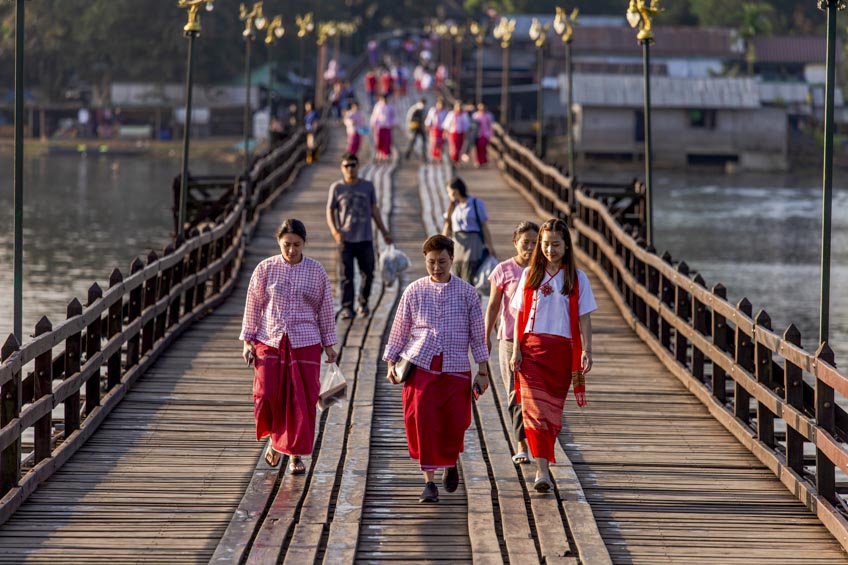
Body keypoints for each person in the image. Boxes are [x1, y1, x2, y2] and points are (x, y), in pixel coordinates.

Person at [383, 234, 490, 503]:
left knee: (455, 423)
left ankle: (450, 461)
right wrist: (391, 362)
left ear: (452, 259)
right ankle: (429, 482)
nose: (437, 267)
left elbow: (478, 335)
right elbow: (399, 330)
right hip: (420, 365)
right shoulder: (414, 290)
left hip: (455, 367)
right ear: (425, 261)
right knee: (423, 422)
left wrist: (483, 370)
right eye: (431, 262)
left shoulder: (467, 292)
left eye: (442, 261)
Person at [240, 219, 338, 476]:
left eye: (296, 245)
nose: (292, 250)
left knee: (301, 400)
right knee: (266, 393)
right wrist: (247, 341)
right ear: (278, 243)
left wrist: (329, 344)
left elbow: (325, 309)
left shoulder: (316, 272)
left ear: (304, 243)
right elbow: (253, 305)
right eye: (287, 245)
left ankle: (295, 456)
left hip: (305, 341)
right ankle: (275, 438)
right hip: (269, 339)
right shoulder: (265, 269)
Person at [509, 218, 597, 493]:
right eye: (545, 244)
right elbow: (519, 317)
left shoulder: (576, 278)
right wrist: (515, 351)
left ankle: (543, 459)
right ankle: (541, 471)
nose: (549, 249)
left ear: (566, 246)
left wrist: (587, 350)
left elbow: (584, 319)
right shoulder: (529, 275)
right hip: (531, 351)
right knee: (533, 413)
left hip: (560, 352)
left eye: (555, 244)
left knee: (551, 414)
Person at [484, 222, 539, 465]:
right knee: (515, 393)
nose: (529, 247)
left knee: (536, 395)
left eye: (535, 242)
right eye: (525, 242)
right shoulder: (503, 270)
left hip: (538, 340)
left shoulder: (544, 269)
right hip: (508, 338)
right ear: (515, 242)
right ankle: (521, 444)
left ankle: (539, 443)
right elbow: (494, 306)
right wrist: (484, 336)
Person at [326, 152, 393, 319]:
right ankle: (347, 307)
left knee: (368, 273)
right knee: (346, 276)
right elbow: (330, 211)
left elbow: (374, 210)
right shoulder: (337, 188)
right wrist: (335, 231)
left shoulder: (368, 186)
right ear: (342, 168)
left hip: (365, 237)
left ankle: (363, 303)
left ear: (358, 166)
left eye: (353, 165)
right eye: (346, 166)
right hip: (345, 239)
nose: (350, 169)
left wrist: (384, 232)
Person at [441, 177, 498, 283]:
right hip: (457, 243)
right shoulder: (453, 206)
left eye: (449, 192)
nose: (449, 195)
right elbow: (448, 224)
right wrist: (441, 243)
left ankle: (471, 297)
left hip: (473, 242)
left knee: (470, 271)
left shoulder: (476, 203)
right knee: (457, 270)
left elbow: (484, 226)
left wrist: (490, 247)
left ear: (456, 190)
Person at [370, 94, 397, 161]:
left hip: (387, 126)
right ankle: (379, 153)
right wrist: (373, 123)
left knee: (387, 141)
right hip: (379, 126)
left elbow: (394, 116)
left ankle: (386, 155)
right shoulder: (378, 106)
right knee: (379, 141)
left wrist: (393, 123)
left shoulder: (391, 106)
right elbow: (374, 115)